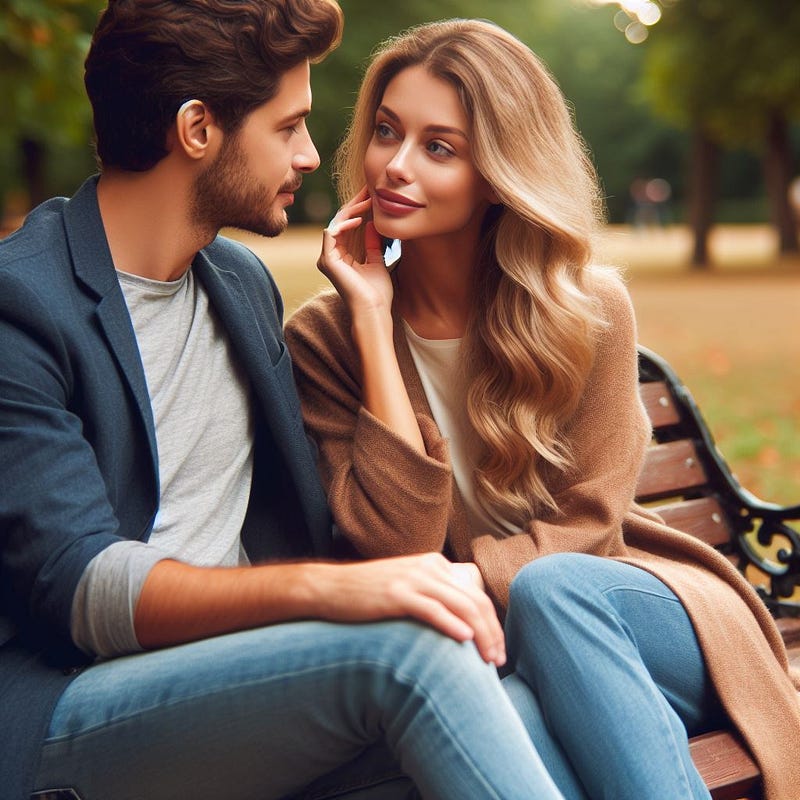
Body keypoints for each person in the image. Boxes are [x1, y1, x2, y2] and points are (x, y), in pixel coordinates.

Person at [0, 4, 571, 799]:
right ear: (198, 128)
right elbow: (79, 584)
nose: (312, 156)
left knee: (512, 701)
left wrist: (372, 313)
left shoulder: (238, 286)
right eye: (290, 126)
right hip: (73, 709)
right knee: (412, 652)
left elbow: (388, 544)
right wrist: (332, 591)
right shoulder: (22, 304)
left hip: (250, 688)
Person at [285, 18, 800, 800]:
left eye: (438, 147)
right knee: (516, 713)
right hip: (494, 657)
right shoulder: (326, 339)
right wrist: (368, 319)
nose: (394, 165)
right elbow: (397, 550)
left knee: (549, 589)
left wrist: (463, 585)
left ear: (496, 170)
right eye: (387, 131)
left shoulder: (586, 309)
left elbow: (590, 523)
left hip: (635, 612)